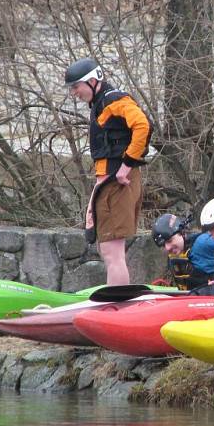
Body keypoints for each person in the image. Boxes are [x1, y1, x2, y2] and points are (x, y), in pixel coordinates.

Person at [65, 57, 151, 285]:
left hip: (118, 181)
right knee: (109, 251)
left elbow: (143, 126)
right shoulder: (101, 104)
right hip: (108, 182)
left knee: (113, 253)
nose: (74, 93)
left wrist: (126, 166)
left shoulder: (114, 100)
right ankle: (115, 302)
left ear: (93, 81)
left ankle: (116, 307)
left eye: (76, 86)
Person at [151, 214, 214, 291]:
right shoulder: (172, 258)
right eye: (163, 245)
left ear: (181, 232)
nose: (167, 248)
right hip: (192, 299)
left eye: (169, 241)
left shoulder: (204, 242)